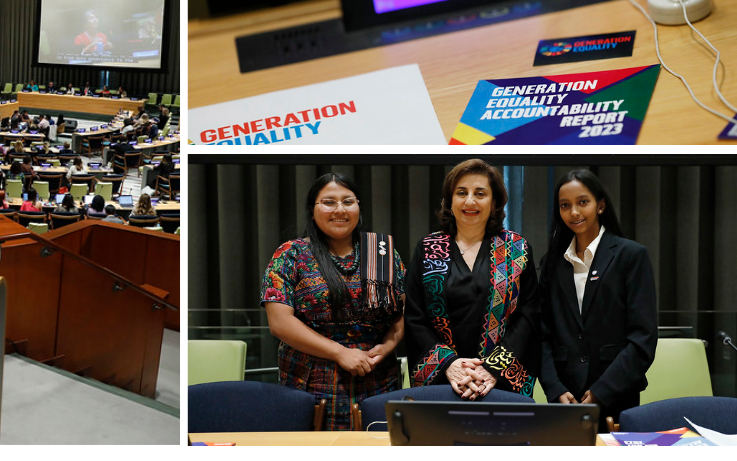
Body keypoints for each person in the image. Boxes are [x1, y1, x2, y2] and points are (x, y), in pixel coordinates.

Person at [261, 173, 404, 430]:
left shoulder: (382, 250)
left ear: (358, 206)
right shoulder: (291, 254)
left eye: (348, 201)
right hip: (310, 383)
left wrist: (388, 345)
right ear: (313, 210)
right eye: (329, 202)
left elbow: (402, 310)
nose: (340, 209)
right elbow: (279, 323)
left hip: (377, 380)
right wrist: (340, 352)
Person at [405, 159, 540, 399]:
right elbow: (415, 316)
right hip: (442, 379)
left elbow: (528, 315)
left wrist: (493, 367)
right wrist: (450, 365)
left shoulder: (517, 248)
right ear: (450, 201)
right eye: (461, 193)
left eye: (480, 193)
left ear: (494, 202)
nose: (470, 201)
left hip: (499, 381)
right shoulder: (428, 248)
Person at [536, 169, 657, 427]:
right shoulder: (553, 264)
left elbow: (642, 339)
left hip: (616, 394)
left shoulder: (630, 256)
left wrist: (601, 392)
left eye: (583, 202)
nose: (574, 213)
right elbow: (542, 335)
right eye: (565, 206)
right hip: (564, 398)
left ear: (600, 205)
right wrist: (554, 388)